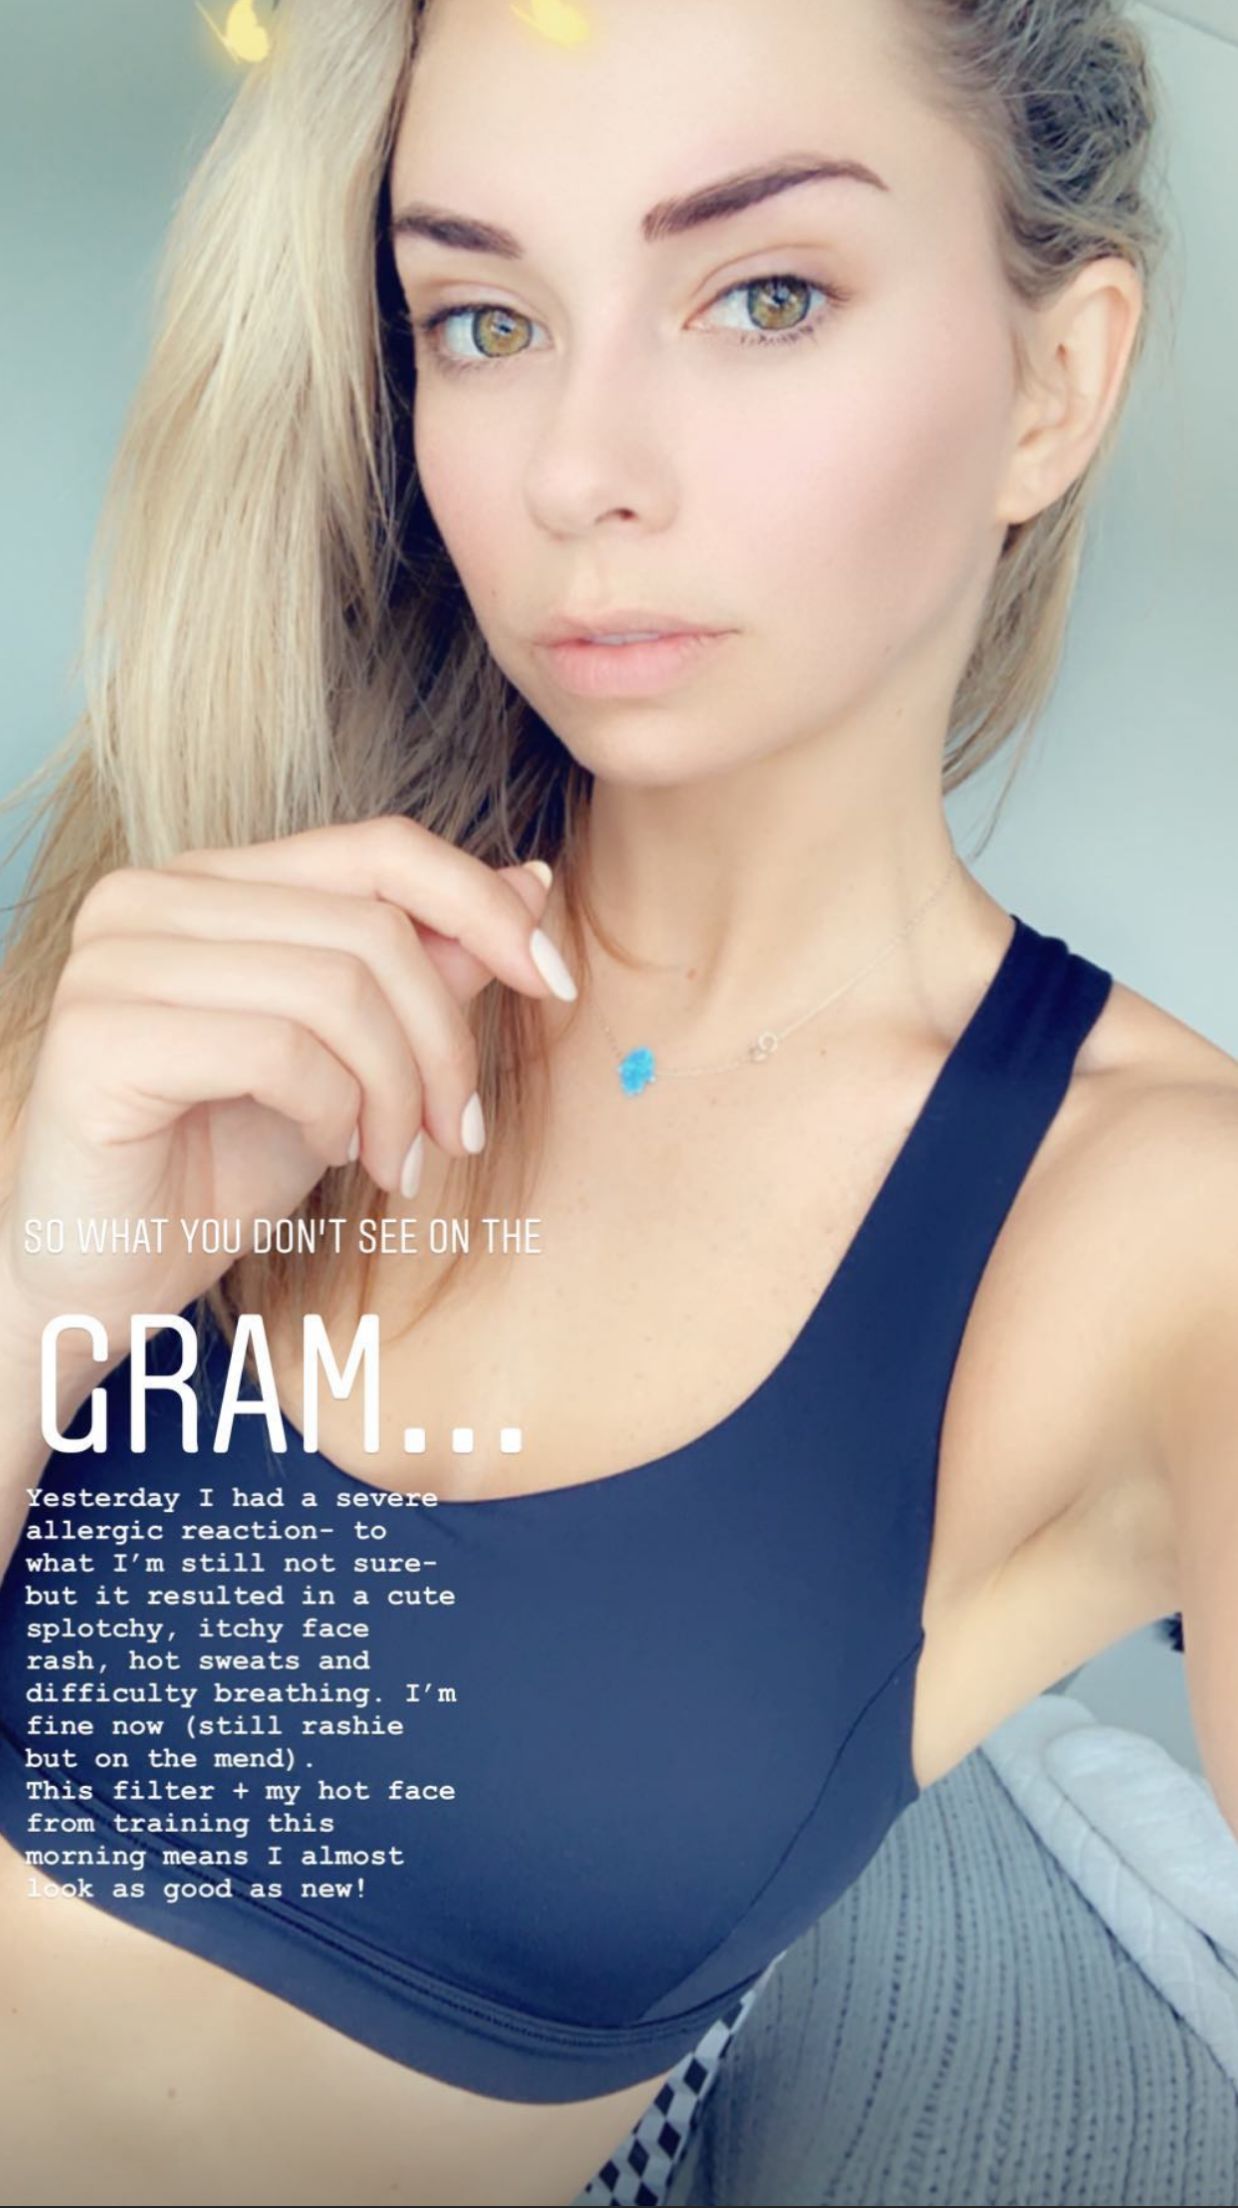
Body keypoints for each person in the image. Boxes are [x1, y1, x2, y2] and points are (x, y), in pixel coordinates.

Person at [0, 1, 1233, 2204]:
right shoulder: (193, 965)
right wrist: (44, 1287)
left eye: (762, 295)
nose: (579, 471)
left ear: (1055, 381)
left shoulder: (1161, 1226)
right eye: (483, 320)